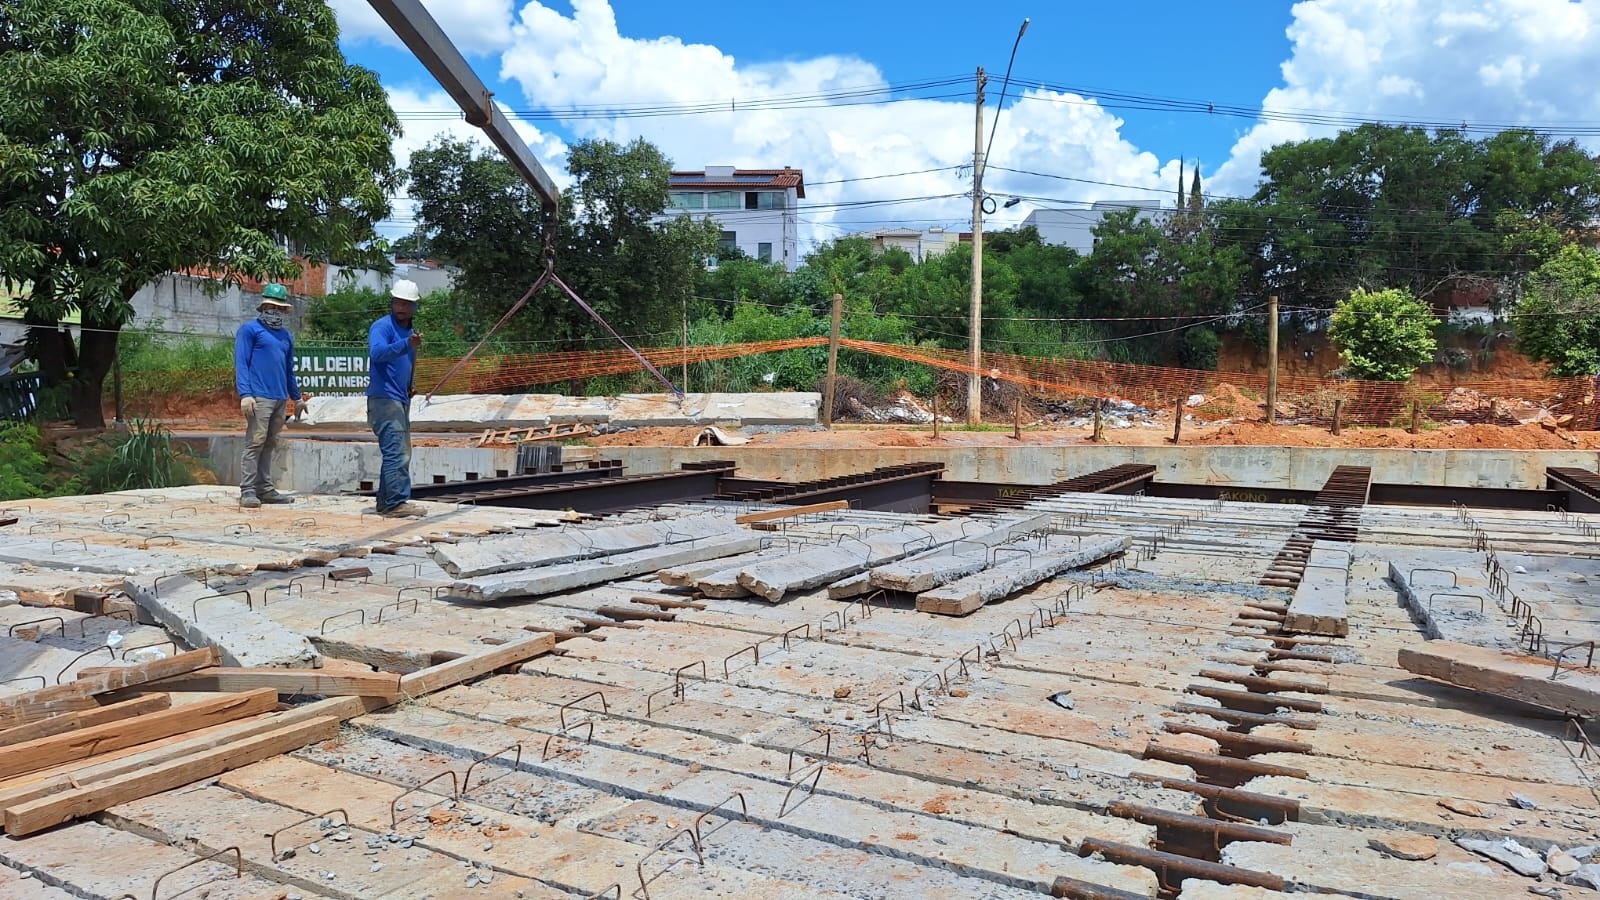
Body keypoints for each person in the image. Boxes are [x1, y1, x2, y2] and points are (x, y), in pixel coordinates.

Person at [234, 283, 307, 508]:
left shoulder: (286, 336)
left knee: (269, 443)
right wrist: (245, 394)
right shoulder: (250, 330)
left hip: (279, 397)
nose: (275, 312)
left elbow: (288, 370)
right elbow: (241, 363)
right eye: (271, 307)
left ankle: (264, 488)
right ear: (264, 307)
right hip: (259, 397)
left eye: (279, 308)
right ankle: (248, 490)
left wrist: (297, 398)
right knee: (255, 442)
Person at [366, 279, 426, 517]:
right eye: (398, 302)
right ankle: (395, 503)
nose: (401, 307)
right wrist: (405, 344)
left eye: (406, 304)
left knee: (396, 451)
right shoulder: (382, 327)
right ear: (391, 303)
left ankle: (386, 503)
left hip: (399, 397)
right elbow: (377, 353)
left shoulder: (409, 332)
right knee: (397, 453)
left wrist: (409, 385)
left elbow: (404, 363)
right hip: (384, 399)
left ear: (414, 307)